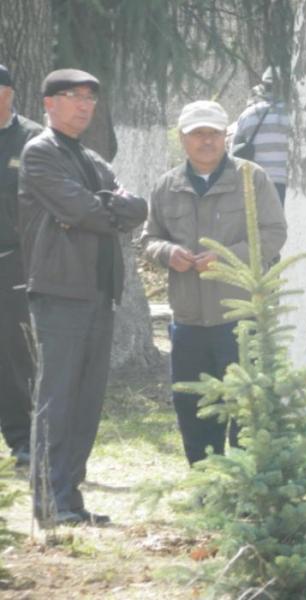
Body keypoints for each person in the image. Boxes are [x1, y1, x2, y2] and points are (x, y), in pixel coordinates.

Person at [18, 69, 148, 527]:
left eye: (91, 98)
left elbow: (136, 209)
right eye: (74, 96)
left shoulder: (93, 158)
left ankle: (71, 498)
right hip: (60, 289)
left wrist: (103, 208)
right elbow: (81, 209)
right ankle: (50, 503)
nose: (84, 105)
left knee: (87, 400)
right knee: (58, 397)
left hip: (99, 291)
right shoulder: (40, 152)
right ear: (49, 103)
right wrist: (106, 209)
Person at [141, 100, 287, 466]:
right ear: (182, 138)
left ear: (226, 136)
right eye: (197, 134)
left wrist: (225, 257)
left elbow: (274, 233)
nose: (206, 141)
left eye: (214, 133)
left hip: (240, 316)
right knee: (193, 408)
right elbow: (149, 238)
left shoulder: (252, 179)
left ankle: (244, 482)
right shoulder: (167, 186)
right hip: (188, 318)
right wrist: (167, 252)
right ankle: (205, 480)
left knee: (246, 408)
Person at [0, 65, 40, 468]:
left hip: (12, 261)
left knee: (13, 354)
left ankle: (23, 439)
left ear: (8, 93)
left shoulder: (31, 139)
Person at [232, 70, 290, 205]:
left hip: (257, 183)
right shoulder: (293, 114)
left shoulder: (248, 115)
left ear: (264, 86)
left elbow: (234, 152)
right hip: (288, 184)